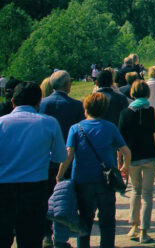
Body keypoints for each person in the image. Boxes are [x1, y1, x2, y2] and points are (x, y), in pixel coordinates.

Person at [56, 92, 131, 248]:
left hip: (82, 179)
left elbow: (69, 154)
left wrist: (60, 175)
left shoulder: (76, 128)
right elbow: (126, 151)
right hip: (106, 180)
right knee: (108, 220)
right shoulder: (110, 127)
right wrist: (125, 166)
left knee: (85, 220)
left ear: (85, 108)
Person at [0, 82, 68, 248]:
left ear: (13, 102)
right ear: (39, 102)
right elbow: (60, 156)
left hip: (3, 188)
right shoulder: (49, 123)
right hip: (34, 188)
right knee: (30, 239)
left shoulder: (1, 122)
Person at [40, 70, 86, 248]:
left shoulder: (42, 104)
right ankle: (60, 237)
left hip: (44, 158)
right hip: (67, 158)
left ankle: (45, 234)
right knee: (63, 199)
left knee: (45, 197)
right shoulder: (76, 106)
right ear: (67, 85)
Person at [118, 80, 155, 243]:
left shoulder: (125, 113)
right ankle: (144, 231)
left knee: (135, 191)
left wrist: (121, 160)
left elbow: (120, 138)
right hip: (151, 157)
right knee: (147, 194)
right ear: (148, 94)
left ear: (132, 94)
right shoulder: (153, 112)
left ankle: (133, 226)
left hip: (132, 158)